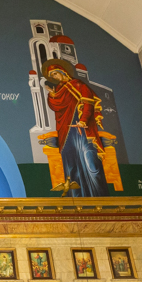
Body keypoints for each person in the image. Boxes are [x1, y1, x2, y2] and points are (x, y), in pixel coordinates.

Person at [41, 59, 110, 197]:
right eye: (52, 76)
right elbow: (56, 106)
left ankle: (100, 196)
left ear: (62, 71)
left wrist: (83, 120)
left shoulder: (78, 84)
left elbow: (88, 103)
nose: (54, 77)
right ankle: (76, 198)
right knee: (71, 167)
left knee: (91, 164)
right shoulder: (58, 90)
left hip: (83, 131)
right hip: (67, 132)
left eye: (55, 74)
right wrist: (52, 95)